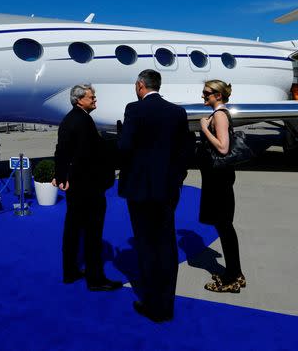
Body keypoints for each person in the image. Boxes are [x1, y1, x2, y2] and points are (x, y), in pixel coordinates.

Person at [118, 69, 192, 322]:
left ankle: (152, 304)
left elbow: (125, 147)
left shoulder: (134, 109)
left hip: (140, 190)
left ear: (140, 85)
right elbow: (185, 151)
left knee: (146, 245)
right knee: (166, 245)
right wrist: (176, 180)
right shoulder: (177, 112)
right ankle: (166, 305)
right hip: (167, 190)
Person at [53, 84, 122, 292]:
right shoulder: (83, 121)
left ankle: (70, 271)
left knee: (72, 229)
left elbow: (61, 150)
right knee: (93, 232)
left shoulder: (69, 119)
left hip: (75, 185)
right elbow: (93, 152)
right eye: (91, 97)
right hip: (89, 186)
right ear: (79, 100)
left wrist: (61, 174)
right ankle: (96, 279)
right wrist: (120, 143)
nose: (95, 100)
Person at [198, 80, 246, 293]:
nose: (203, 96)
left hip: (219, 177)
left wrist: (203, 129)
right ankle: (234, 273)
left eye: (207, 93)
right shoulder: (219, 114)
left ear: (218, 95)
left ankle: (233, 277)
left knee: (225, 225)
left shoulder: (218, 115)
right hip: (218, 177)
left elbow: (223, 147)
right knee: (224, 225)